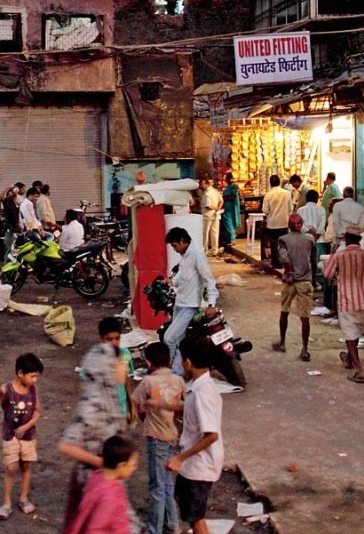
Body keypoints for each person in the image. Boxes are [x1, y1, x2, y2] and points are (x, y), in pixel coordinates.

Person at [58, 326, 128, 529]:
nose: (124, 367)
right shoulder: (93, 406)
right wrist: (102, 462)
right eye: (120, 363)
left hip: (110, 483)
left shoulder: (112, 399)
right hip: (93, 486)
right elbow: (66, 445)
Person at [166, 336, 223, 534]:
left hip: (200, 463)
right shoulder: (198, 387)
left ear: (188, 362)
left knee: (195, 516)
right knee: (184, 502)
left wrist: (179, 458)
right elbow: (189, 410)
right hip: (193, 462)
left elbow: (211, 435)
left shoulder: (202, 393)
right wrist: (161, 405)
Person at [135, 341, 185, 534]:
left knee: (157, 486)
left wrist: (144, 418)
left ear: (149, 363)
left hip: (156, 437)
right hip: (172, 434)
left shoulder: (148, 382)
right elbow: (185, 406)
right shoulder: (178, 381)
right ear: (170, 360)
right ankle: (173, 524)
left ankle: (154, 529)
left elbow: (136, 404)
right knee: (166, 483)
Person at [322, 227, 364, 384]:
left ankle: (359, 369)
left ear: (346, 239)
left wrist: (338, 273)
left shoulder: (339, 256)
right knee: (354, 332)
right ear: (359, 240)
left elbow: (327, 274)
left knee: (349, 334)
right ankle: (348, 358)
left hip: (346, 300)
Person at [163, 227, 219, 376]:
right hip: (180, 303)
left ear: (182, 241)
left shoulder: (196, 255)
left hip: (190, 306)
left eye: (175, 245)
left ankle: (169, 373)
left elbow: (209, 279)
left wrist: (211, 304)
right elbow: (182, 277)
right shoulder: (185, 257)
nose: (174, 249)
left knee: (169, 339)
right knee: (180, 341)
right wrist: (170, 282)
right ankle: (179, 371)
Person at [0, 352, 44, 520]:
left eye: (37, 377)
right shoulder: (5, 390)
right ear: (20, 373)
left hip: (28, 436)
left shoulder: (33, 391)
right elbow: (5, 408)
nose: (35, 380)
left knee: (26, 466)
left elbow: (38, 412)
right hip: (10, 435)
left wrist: (25, 427)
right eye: (32, 376)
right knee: (11, 468)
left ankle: (23, 498)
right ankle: (6, 503)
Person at [63, 435, 137, 534]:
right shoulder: (110, 497)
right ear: (121, 466)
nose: (134, 468)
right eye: (133, 464)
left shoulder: (97, 476)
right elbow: (95, 529)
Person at [272, 213, 313, 361]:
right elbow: (312, 259)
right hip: (305, 280)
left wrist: (288, 271)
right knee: (305, 317)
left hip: (290, 281)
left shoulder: (283, 240)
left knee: (284, 311)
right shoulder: (309, 239)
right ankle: (304, 349)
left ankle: (282, 342)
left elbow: (283, 257)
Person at [91, 317, 135, 423]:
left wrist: (131, 405)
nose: (114, 343)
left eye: (117, 338)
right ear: (101, 339)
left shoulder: (125, 355)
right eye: (109, 339)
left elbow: (126, 380)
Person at [261, 175, 293, 269]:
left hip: (272, 223)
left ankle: (275, 262)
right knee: (284, 244)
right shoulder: (287, 193)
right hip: (284, 222)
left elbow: (265, 210)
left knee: (274, 244)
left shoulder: (268, 195)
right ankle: (285, 262)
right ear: (279, 182)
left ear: (270, 183)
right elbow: (290, 209)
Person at [298, 189, 327, 282]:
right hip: (319, 240)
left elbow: (300, 225)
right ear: (317, 199)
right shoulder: (321, 209)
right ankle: (316, 281)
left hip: (304, 239)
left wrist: (308, 231)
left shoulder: (300, 210)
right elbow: (322, 224)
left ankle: (306, 279)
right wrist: (316, 234)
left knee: (305, 261)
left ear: (306, 198)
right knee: (317, 262)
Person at [200, 177, 223, 256]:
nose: (201, 185)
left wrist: (215, 208)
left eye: (202, 184)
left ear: (207, 184)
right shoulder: (215, 191)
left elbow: (208, 206)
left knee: (205, 234)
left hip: (207, 216)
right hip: (216, 215)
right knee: (215, 233)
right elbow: (221, 201)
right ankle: (215, 250)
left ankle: (205, 250)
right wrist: (218, 209)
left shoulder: (207, 194)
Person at [219, 172, 241, 250]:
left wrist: (224, 198)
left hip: (230, 207)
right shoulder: (229, 186)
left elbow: (233, 196)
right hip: (227, 207)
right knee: (227, 222)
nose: (225, 179)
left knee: (229, 223)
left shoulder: (233, 187)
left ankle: (232, 239)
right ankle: (228, 239)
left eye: (226, 178)